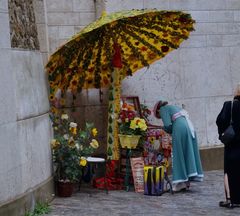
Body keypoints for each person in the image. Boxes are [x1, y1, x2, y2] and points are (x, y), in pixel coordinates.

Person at [153, 100, 204, 192]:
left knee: (178, 154)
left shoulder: (163, 109)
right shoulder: (175, 107)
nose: (161, 117)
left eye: (159, 117)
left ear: (158, 111)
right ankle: (186, 181)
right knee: (187, 152)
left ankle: (179, 182)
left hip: (179, 129)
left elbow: (168, 125)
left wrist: (164, 128)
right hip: (188, 127)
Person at [216, 84, 240, 208]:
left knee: (229, 172)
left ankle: (230, 199)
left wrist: (222, 135)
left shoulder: (230, 105)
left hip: (232, 144)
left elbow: (220, 120)